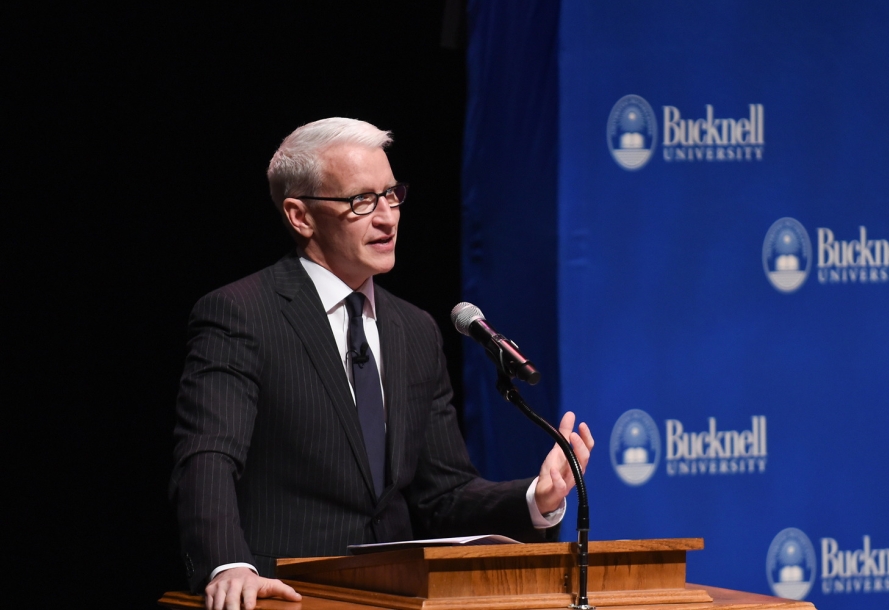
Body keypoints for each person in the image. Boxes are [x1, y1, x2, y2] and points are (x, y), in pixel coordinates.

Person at [170, 117, 595, 610]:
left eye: (392, 195)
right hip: (285, 594)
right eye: (361, 201)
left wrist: (535, 499)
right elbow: (207, 459)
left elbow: (444, 495)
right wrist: (228, 563)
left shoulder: (414, 329)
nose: (388, 217)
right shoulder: (241, 314)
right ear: (299, 216)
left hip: (396, 598)